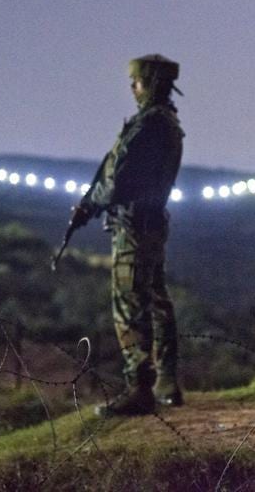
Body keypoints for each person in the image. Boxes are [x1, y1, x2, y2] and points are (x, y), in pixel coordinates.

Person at [70, 54, 185, 416]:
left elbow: (119, 180)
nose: (132, 88)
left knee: (130, 303)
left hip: (134, 226)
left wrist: (92, 204)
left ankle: (139, 387)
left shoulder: (148, 125)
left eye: (136, 82)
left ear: (148, 83)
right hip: (152, 222)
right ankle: (166, 380)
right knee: (156, 298)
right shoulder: (168, 122)